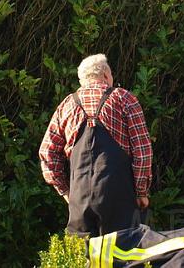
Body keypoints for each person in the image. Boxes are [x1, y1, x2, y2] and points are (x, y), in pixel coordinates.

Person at [39, 53, 153, 236]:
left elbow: (47, 154)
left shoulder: (67, 105)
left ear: (82, 80)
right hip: (119, 199)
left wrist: (66, 192)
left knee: (83, 257)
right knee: (124, 256)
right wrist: (141, 192)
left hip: (80, 199)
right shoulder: (124, 99)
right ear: (107, 75)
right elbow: (143, 152)